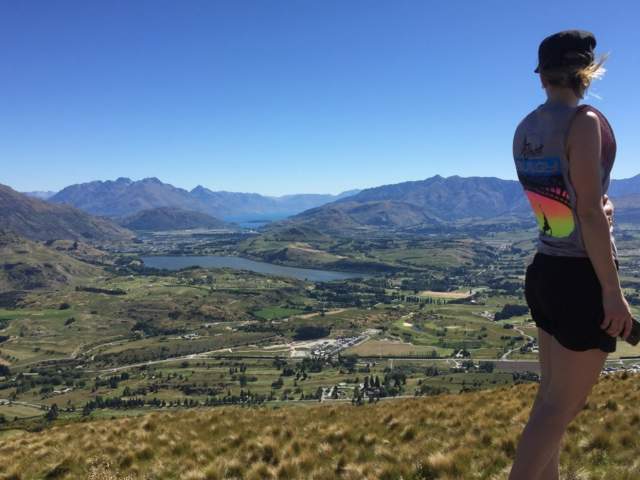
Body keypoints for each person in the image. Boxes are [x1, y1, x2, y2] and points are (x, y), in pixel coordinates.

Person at [508, 30, 633, 480]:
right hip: (582, 276)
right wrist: (613, 294)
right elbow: (586, 211)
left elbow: (556, 203)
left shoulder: (526, 128)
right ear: (588, 70)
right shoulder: (585, 122)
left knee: (549, 400)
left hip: (544, 270)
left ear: (541, 75)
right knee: (563, 406)